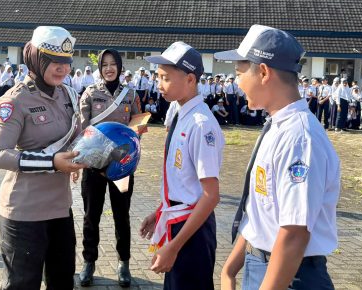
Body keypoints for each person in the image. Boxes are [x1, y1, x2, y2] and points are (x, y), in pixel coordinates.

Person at [218, 25, 339, 290]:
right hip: (261, 263)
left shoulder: (299, 138)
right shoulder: (278, 125)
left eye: (239, 74)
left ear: (263, 72)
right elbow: (262, 213)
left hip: (289, 275)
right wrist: (230, 269)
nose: (237, 83)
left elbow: (294, 234)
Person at [0, 26, 86, 290]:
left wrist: (96, 149)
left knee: (62, 281)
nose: (62, 68)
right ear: (35, 58)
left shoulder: (69, 95)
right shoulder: (15, 100)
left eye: (66, 62)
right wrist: (52, 163)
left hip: (59, 208)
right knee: (22, 284)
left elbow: (77, 138)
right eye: (53, 60)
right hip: (24, 212)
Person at [140, 41, 224, 290]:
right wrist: (159, 211)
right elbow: (183, 179)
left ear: (190, 79)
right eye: (158, 77)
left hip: (193, 231)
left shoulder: (201, 124)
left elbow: (211, 195)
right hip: (178, 221)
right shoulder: (179, 113)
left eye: (165, 78)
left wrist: (173, 247)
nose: (159, 84)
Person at [76, 49, 142, 287]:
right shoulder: (90, 93)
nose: (109, 68)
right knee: (90, 216)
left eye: (113, 64)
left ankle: (124, 262)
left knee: (122, 216)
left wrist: (136, 136)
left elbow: (137, 124)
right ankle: (89, 262)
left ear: (120, 67)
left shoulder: (130, 94)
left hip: (122, 166)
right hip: (94, 165)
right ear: (100, 68)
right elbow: (82, 129)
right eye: (105, 64)